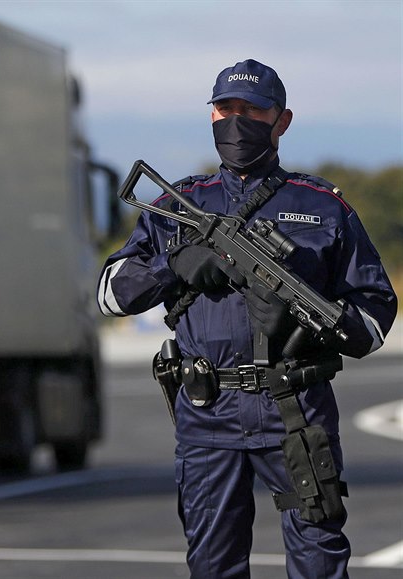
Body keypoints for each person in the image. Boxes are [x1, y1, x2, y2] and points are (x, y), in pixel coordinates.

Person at [97, 59, 397, 577]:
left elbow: (373, 314)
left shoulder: (324, 207)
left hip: (296, 408)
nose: (238, 121)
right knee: (213, 563)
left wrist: (307, 324)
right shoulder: (177, 203)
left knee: (320, 559)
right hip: (208, 409)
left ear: (282, 121)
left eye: (254, 110)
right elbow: (110, 296)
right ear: (211, 115)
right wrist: (177, 265)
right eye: (226, 109)